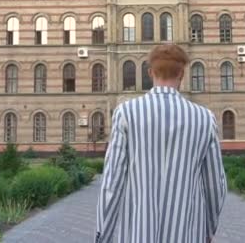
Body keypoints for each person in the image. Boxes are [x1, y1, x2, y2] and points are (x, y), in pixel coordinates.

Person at [95, 44, 227, 243]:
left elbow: (112, 182)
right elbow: (215, 184)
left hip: (138, 232)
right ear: (182, 74)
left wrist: (102, 236)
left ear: (150, 72)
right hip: (187, 232)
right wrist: (209, 229)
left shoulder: (126, 113)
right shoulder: (204, 118)